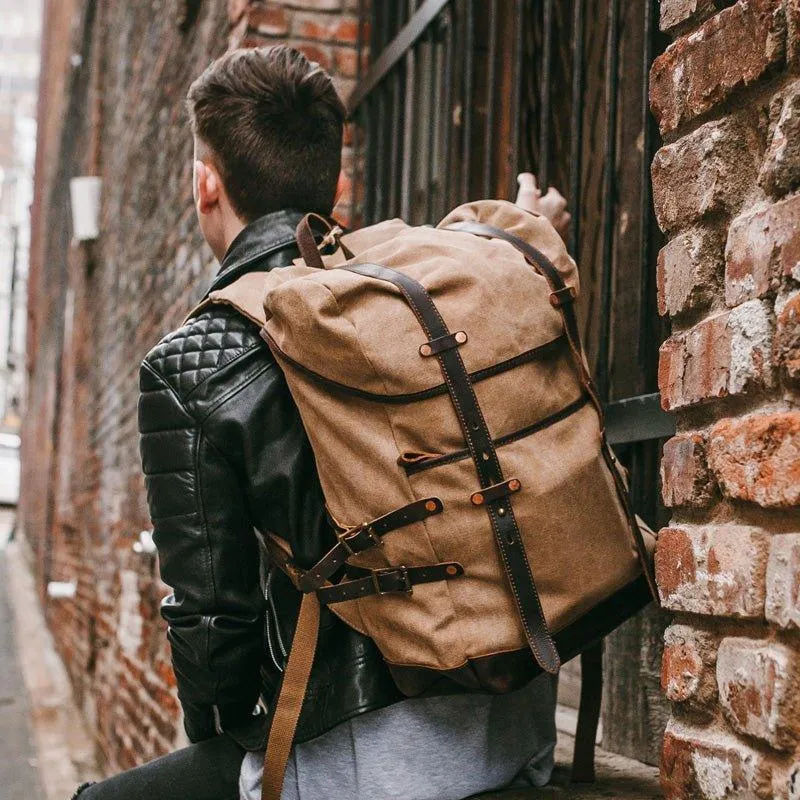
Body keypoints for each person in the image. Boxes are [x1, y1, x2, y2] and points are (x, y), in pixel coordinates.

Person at [71, 45, 571, 800]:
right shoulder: (413, 287)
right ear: (334, 183)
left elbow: (213, 627)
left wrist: (226, 747)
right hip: (520, 728)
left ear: (207, 184)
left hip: (375, 763)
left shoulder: (194, 363)